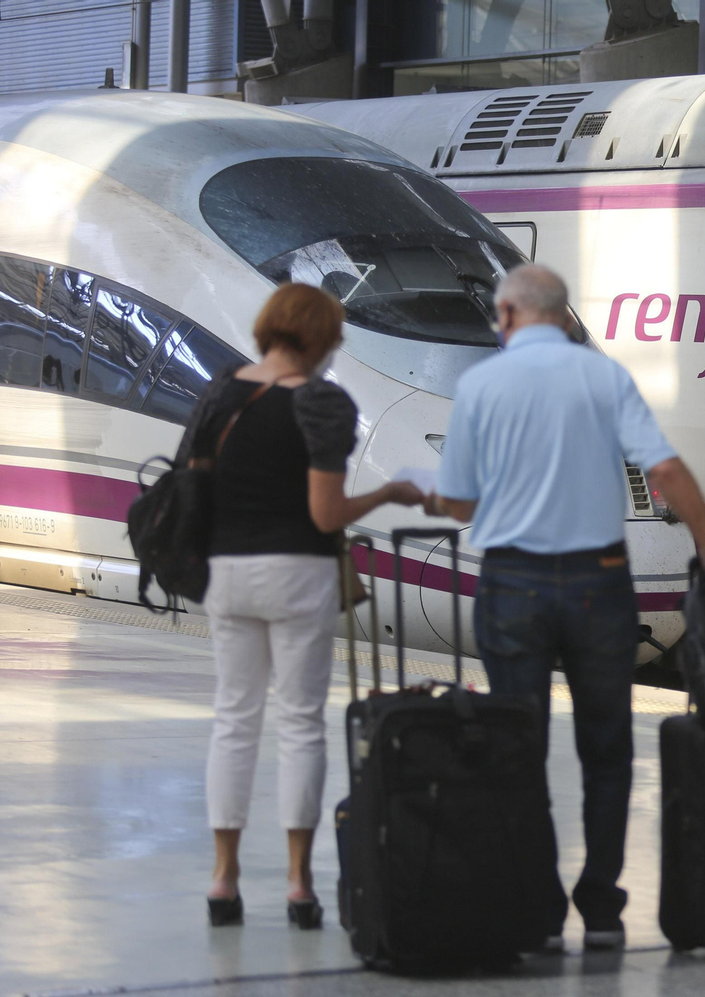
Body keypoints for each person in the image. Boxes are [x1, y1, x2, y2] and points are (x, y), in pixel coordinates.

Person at [426, 263, 705, 951]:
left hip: (512, 585)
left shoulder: (479, 386)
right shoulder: (604, 377)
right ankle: (601, 907)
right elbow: (663, 468)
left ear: (505, 317)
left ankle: (537, 910)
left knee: (518, 746)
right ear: (565, 318)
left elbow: (457, 505)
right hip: (599, 586)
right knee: (607, 746)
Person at [186, 284, 423, 929]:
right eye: (336, 336)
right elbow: (325, 514)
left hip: (227, 573)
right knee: (299, 725)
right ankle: (296, 885)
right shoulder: (322, 402)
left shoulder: (220, 393)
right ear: (318, 339)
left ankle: (223, 879)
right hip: (298, 574)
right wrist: (388, 495)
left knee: (234, 721)